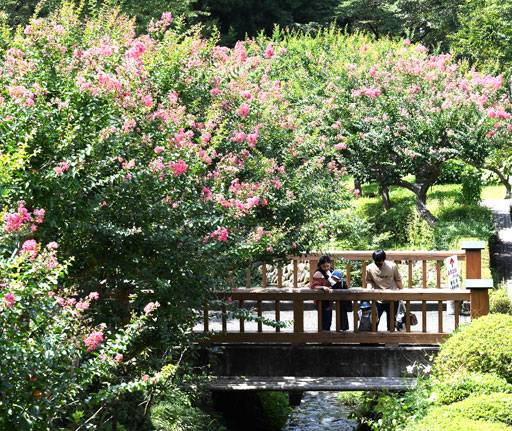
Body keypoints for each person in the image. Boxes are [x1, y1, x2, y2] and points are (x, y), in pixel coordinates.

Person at [365, 249, 403, 331]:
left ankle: (391, 342)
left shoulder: (392, 266)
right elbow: (369, 281)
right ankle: (373, 341)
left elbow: (398, 280)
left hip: (392, 298)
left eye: (380, 262)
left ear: (384, 260)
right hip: (378, 299)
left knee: (391, 323)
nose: (378, 264)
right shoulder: (369, 268)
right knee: (374, 322)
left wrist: (402, 292)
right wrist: (369, 291)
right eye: (376, 262)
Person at [311, 255, 350, 331]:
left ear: (330, 264)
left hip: (329, 299)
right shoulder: (318, 274)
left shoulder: (332, 272)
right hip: (321, 299)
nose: (326, 268)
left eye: (327, 266)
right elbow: (313, 286)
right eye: (323, 266)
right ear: (320, 266)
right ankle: (323, 336)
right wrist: (323, 287)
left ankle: (328, 335)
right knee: (323, 319)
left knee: (329, 318)